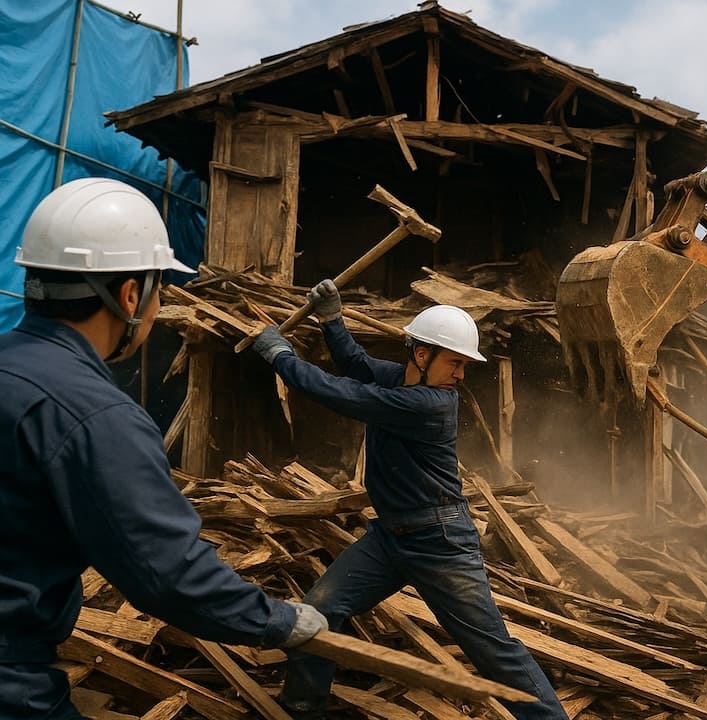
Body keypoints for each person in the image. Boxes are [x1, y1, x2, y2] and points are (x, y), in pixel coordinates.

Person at [0, 178, 326, 719]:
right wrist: (275, 621)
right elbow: (165, 574)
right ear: (130, 295)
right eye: (159, 292)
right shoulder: (96, 416)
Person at [252, 284, 567, 720]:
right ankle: (301, 709)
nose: (461, 374)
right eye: (455, 362)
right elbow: (356, 366)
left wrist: (281, 358)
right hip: (390, 539)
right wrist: (331, 320)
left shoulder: (430, 404)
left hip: (441, 544)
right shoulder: (402, 380)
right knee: (317, 610)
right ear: (421, 356)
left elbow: (342, 393)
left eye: (463, 365)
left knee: (493, 651)